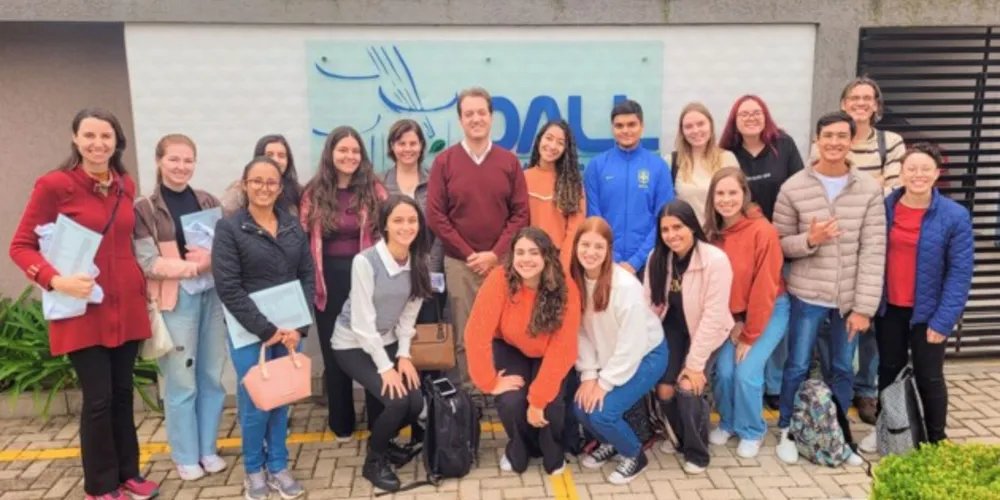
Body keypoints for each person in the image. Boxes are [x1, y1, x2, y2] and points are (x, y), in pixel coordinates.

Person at [9, 108, 159, 500]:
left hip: (125, 305)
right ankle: (100, 485)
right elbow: (20, 246)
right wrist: (53, 279)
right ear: (75, 139)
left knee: (123, 393)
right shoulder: (55, 185)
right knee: (98, 399)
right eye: (89, 135)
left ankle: (128, 473)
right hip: (82, 307)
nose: (98, 144)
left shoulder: (125, 184)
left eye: (106, 136)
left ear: (117, 142)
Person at [771, 112, 885, 466]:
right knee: (797, 365)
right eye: (828, 136)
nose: (834, 142)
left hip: (849, 300)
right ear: (816, 140)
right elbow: (779, 244)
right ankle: (788, 429)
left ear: (851, 141)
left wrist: (864, 307)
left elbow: (874, 249)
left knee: (842, 368)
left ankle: (838, 433)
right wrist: (811, 239)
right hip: (807, 295)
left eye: (841, 136)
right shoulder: (794, 187)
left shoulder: (867, 189)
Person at [858, 144, 974, 453]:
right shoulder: (884, 209)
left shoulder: (954, 216)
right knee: (888, 370)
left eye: (925, 169)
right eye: (912, 169)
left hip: (929, 313)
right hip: (890, 309)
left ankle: (936, 440)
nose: (918, 175)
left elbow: (960, 274)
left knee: (929, 376)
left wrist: (944, 320)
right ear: (902, 172)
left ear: (937, 174)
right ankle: (887, 429)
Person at [212, 156, 315, 500]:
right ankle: (254, 471)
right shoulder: (230, 229)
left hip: (288, 334)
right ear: (244, 185)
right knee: (256, 403)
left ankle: (279, 467)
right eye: (256, 181)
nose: (264, 188)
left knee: (282, 400)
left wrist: (299, 327)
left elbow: (306, 277)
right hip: (249, 334)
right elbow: (228, 287)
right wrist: (265, 329)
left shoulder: (291, 226)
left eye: (271, 182)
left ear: (280, 187)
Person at [133, 134, 227, 481]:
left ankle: (207, 449)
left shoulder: (206, 200)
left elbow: (224, 248)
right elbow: (147, 261)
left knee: (211, 376)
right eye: (174, 159)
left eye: (188, 160)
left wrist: (212, 262)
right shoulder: (144, 208)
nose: (181, 167)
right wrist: (196, 267)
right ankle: (185, 454)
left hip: (212, 297)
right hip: (175, 300)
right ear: (159, 161)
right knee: (181, 379)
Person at [813, 77, 907, 424]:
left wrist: (862, 193)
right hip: (831, 247)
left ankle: (866, 391)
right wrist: (870, 187)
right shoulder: (825, 141)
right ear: (843, 103)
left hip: (873, 241)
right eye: (854, 97)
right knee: (828, 323)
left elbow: (894, 190)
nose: (860, 103)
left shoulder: (891, 142)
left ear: (877, 105)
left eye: (867, 98)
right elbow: (817, 191)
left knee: (868, 319)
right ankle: (830, 384)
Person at [426, 87, 531, 388]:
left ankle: (503, 388)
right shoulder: (445, 162)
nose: (476, 119)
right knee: (465, 332)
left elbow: (521, 214)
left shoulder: (508, 162)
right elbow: (436, 216)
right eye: (469, 113)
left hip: (504, 264)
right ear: (460, 120)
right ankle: (468, 392)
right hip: (460, 265)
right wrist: (470, 254)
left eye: (481, 113)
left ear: (491, 117)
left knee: (506, 329)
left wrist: (495, 254)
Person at [332, 195, 432, 491]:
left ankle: (385, 444)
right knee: (398, 400)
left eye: (412, 220)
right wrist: (386, 367)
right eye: (398, 220)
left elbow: (408, 316)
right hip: (351, 342)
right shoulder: (365, 261)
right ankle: (374, 461)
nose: (406, 226)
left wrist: (403, 356)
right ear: (385, 225)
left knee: (416, 404)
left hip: (387, 341)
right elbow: (362, 324)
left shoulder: (419, 261)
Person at [464, 227, 581, 475]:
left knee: (550, 403)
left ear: (547, 256)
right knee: (511, 400)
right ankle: (519, 447)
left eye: (533, 252)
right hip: (511, 345)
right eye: (520, 252)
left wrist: (537, 401)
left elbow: (563, 348)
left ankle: (551, 449)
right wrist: (488, 381)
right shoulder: (499, 279)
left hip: (548, 351)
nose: (526, 259)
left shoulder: (565, 287)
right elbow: (477, 332)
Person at [300, 126, 388, 440]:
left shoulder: (374, 190)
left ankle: (380, 421)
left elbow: (386, 233)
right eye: (343, 151)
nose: (349, 156)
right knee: (334, 349)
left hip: (367, 279)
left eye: (354, 151)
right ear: (331, 154)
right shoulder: (313, 192)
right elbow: (303, 237)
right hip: (328, 281)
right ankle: (342, 423)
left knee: (370, 346)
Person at [719, 94, 805, 410]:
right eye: (744, 114)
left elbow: (799, 189)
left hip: (776, 242)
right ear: (734, 121)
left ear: (766, 116)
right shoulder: (728, 155)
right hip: (740, 242)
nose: (751, 118)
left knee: (773, 310)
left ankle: (773, 384)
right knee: (748, 302)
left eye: (756, 113)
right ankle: (752, 381)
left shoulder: (783, 146)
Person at [571, 217, 667, 484]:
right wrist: (589, 375)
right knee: (581, 407)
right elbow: (579, 332)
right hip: (609, 356)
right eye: (585, 245)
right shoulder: (575, 282)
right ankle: (612, 443)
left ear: (608, 250)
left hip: (647, 354)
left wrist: (604, 383)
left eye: (598, 247)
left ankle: (635, 455)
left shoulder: (624, 286)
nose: (590, 252)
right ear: (575, 246)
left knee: (603, 412)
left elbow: (632, 344)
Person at [702, 167, 787, 459]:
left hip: (768, 311)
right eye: (720, 193)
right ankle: (728, 422)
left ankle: (753, 430)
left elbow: (764, 288)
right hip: (733, 317)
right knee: (724, 372)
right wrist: (734, 323)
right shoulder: (711, 233)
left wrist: (749, 334)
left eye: (732, 193)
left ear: (744, 194)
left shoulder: (762, 231)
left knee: (746, 373)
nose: (726, 199)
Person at [644, 200, 733, 474]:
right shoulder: (657, 258)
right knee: (664, 388)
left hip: (706, 332)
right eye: (665, 230)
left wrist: (694, 365)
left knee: (688, 386)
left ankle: (697, 450)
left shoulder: (714, 260)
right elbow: (649, 306)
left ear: (692, 226)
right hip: (672, 329)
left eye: (678, 227)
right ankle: (679, 436)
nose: (672, 235)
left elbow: (713, 316)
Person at [585, 99, 674, 278]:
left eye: (632, 124)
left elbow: (664, 218)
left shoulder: (658, 167)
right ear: (612, 128)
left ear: (642, 126)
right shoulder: (596, 166)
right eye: (619, 126)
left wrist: (636, 261)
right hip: (605, 261)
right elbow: (593, 217)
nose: (625, 130)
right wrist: (612, 257)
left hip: (648, 262)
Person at [382, 118, 444, 274]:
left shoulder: (435, 181)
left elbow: (441, 229)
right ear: (392, 146)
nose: (407, 149)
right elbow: (376, 228)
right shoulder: (380, 183)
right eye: (401, 144)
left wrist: (432, 268)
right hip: (389, 268)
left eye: (413, 143)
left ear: (421, 145)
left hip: (427, 267)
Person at [524, 119, 586, 268]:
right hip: (526, 259)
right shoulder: (522, 178)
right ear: (540, 139)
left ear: (566, 149)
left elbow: (574, 230)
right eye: (549, 138)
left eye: (560, 142)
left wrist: (562, 267)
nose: (552, 146)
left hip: (557, 261)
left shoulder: (573, 185)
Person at [670, 102, 739, 225]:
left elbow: (739, 202)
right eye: (688, 126)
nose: (695, 130)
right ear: (682, 131)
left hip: (720, 237)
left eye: (701, 124)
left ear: (710, 126)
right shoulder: (671, 162)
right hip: (686, 239)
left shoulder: (727, 159)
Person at [221, 134, 302, 216]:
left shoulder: (297, 191)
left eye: (281, 156)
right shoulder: (239, 189)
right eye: (269, 155)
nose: (276, 160)